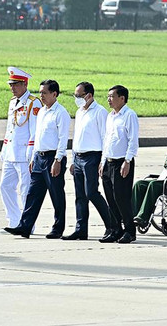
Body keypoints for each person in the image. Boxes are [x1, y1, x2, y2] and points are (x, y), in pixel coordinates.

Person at [4, 79, 70, 239]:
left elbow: (63, 139)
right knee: (33, 194)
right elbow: (37, 136)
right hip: (39, 158)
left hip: (53, 157)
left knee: (56, 195)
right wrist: (34, 156)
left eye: (45, 93)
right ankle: (24, 226)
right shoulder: (41, 112)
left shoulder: (61, 113)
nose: (41, 96)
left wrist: (58, 160)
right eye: (40, 93)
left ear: (54, 94)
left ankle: (58, 228)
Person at [63, 82, 113, 241]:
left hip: (92, 157)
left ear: (89, 95)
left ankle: (111, 225)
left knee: (91, 192)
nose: (76, 98)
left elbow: (106, 138)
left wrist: (102, 160)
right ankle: (80, 229)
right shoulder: (79, 112)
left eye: (79, 95)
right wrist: (72, 159)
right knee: (80, 195)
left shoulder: (99, 112)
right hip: (78, 156)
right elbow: (76, 137)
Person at [0, 67, 40, 229]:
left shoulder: (33, 102)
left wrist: (31, 153)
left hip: (24, 153)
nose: (12, 88)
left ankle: (27, 224)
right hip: (10, 152)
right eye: (11, 84)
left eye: (15, 84)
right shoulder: (12, 102)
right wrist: (4, 149)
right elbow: (10, 128)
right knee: (5, 186)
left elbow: (34, 130)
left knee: (25, 189)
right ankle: (14, 220)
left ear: (24, 84)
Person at [100, 85, 139, 244]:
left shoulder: (129, 115)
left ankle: (130, 231)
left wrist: (127, 161)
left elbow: (133, 141)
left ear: (122, 98)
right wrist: (103, 161)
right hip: (109, 161)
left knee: (121, 198)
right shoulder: (110, 116)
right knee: (110, 197)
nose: (109, 99)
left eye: (112, 96)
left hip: (122, 162)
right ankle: (116, 229)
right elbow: (107, 140)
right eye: (108, 96)